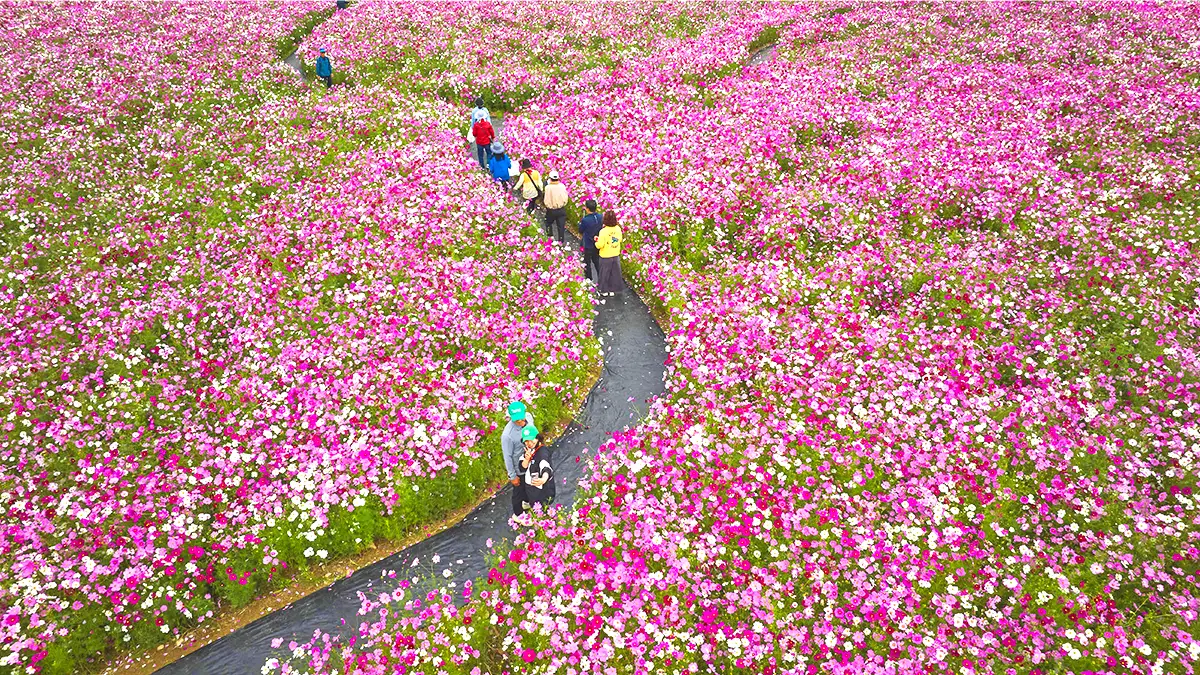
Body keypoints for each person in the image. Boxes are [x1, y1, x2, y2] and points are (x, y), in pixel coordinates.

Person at [501, 401, 535, 516]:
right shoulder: (507, 435)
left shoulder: (529, 418)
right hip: (519, 467)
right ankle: (518, 515)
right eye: (517, 420)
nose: (520, 421)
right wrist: (512, 476)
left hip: (531, 461)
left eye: (521, 418)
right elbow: (507, 456)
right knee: (518, 491)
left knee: (529, 485)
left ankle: (527, 503)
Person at [520, 428, 555, 510]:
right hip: (531, 486)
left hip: (541, 489)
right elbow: (522, 468)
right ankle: (530, 504)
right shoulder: (528, 450)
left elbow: (545, 465)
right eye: (526, 441)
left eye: (532, 440)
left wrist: (543, 478)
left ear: (538, 438)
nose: (529, 443)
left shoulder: (542, 452)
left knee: (541, 508)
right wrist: (526, 459)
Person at [596, 211, 625, 294]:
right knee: (614, 274)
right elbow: (619, 239)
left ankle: (604, 291)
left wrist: (596, 242)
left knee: (604, 274)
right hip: (615, 254)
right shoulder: (618, 228)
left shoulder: (603, 231)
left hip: (605, 255)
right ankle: (613, 290)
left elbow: (600, 245)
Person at [579, 199, 603, 281]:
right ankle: (601, 278)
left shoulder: (585, 220)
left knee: (587, 262)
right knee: (596, 261)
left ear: (587, 209)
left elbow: (581, 230)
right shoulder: (600, 217)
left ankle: (589, 279)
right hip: (597, 242)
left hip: (588, 244)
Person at [542, 170, 568, 243]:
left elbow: (546, 200)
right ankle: (561, 241)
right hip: (561, 209)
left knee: (548, 223)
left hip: (551, 210)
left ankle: (550, 237)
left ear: (550, 178)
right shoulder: (562, 186)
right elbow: (565, 198)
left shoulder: (548, 187)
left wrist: (548, 206)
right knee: (561, 226)